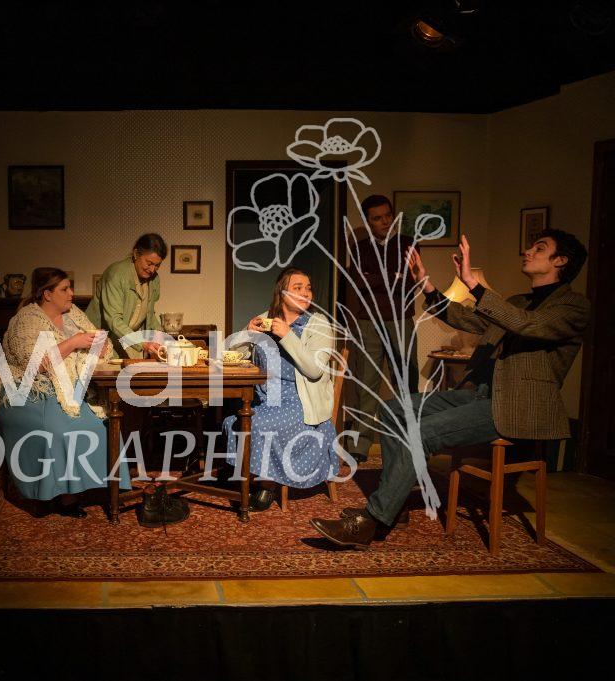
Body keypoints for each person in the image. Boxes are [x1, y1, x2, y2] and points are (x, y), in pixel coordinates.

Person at [311, 230, 589, 549]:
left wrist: (473, 284)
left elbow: (528, 325)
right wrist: (427, 286)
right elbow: (467, 319)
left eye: (539, 248)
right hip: (480, 394)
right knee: (393, 410)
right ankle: (395, 503)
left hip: (517, 406)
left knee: (419, 432)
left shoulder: (574, 308)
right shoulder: (518, 302)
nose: (528, 251)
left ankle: (373, 521)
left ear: (560, 260)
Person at [0, 267, 131, 517]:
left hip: (67, 389)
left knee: (103, 424)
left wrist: (100, 345)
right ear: (47, 294)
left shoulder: (74, 314)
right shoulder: (27, 320)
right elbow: (35, 364)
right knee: (58, 430)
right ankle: (58, 494)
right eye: (65, 289)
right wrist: (74, 343)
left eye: (70, 288)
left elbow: (99, 348)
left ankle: (97, 488)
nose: (71, 293)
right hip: (28, 391)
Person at [222, 268, 341, 511]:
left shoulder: (318, 324)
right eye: (298, 287)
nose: (305, 293)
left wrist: (287, 335)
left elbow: (314, 370)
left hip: (301, 402)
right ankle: (252, 475)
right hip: (264, 398)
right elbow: (233, 357)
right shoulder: (265, 319)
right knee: (230, 421)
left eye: (308, 288)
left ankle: (267, 484)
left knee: (255, 424)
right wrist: (247, 334)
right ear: (282, 292)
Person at [342, 194, 419, 463]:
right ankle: (360, 446)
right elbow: (358, 282)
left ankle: (408, 442)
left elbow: (409, 283)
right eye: (378, 218)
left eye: (388, 215)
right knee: (366, 383)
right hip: (368, 321)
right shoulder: (359, 248)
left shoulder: (408, 243)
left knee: (406, 382)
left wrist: (376, 279)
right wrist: (392, 277)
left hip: (401, 319)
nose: (385, 221)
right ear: (368, 222)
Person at [85, 233, 166, 359]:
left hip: (128, 340)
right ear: (136, 254)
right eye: (149, 263)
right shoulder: (116, 274)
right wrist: (142, 343)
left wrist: (161, 335)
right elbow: (114, 320)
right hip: (100, 340)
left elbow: (149, 314)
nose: (152, 270)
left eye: (157, 265)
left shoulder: (154, 279)